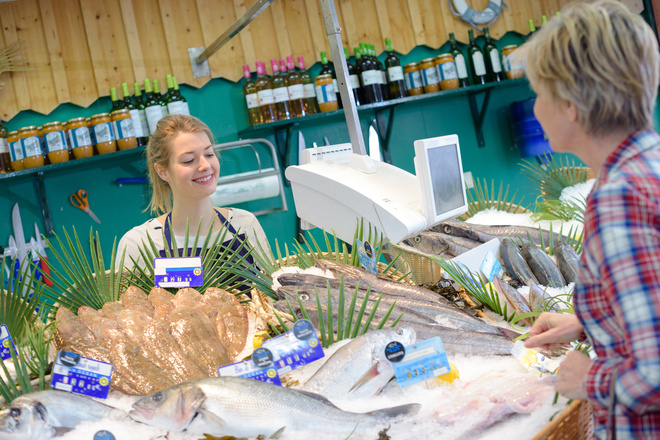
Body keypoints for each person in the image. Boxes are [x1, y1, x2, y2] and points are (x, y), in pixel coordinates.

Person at [519, 1, 660, 438]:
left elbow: (654, 371)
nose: (536, 107)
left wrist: (588, 378)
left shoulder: (620, 196)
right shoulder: (646, 163)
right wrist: (588, 321)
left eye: (539, 92)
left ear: (571, 106)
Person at [118, 115, 270, 279]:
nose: (205, 165)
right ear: (162, 171)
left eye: (209, 154)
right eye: (188, 160)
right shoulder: (139, 244)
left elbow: (272, 297)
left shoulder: (245, 224)